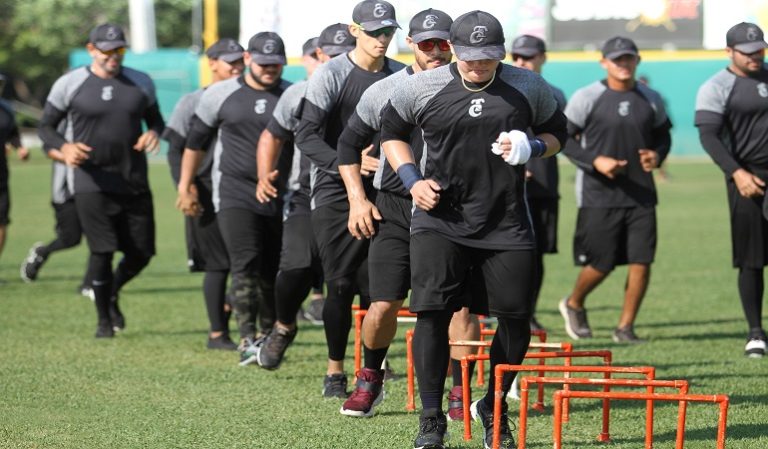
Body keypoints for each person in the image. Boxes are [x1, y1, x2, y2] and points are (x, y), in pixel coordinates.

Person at [380, 10, 567, 448]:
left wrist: (533, 146)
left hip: (506, 220)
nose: (479, 66)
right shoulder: (421, 86)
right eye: (470, 58)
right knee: (432, 314)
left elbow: (559, 133)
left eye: (488, 58)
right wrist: (412, 181)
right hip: (439, 220)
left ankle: (493, 405)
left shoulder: (527, 86)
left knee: (517, 317)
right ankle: (431, 418)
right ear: (453, 50)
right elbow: (392, 134)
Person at [336, 8, 479, 420]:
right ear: (411, 43)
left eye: (444, 44)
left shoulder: (473, 85)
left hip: (453, 209)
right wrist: (358, 200)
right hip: (396, 206)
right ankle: (370, 380)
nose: (436, 51)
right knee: (383, 304)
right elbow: (348, 147)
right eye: (427, 43)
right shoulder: (386, 89)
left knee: (459, 307)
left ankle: (459, 390)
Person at [294, 0, 406, 398]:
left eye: (388, 31)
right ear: (353, 30)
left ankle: (371, 369)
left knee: (377, 287)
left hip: (388, 190)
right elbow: (306, 135)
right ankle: (334, 371)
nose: (381, 38)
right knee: (340, 283)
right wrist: (351, 164)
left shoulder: (399, 75)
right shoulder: (331, 73)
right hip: (334, 191)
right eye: (374, 31)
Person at [38, 23, 165, 338]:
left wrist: (153, 133)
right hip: (90, 181)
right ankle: (103, 322)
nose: (113, 55)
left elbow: (157, 121)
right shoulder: (71, 83)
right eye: (107, 50)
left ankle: (110, 292)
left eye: (119, 49)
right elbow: (46, 128)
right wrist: (64, 147)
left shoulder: (141, 82)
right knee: (102, 250)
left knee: (142, 252)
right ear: (92, 49)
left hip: (133, 180)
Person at [176, 31, 292, 365]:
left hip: (280, 193)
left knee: (274, 270)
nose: (270, 69)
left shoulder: (291, 94)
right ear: (248, 59)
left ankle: (271, 335)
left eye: (276, 64)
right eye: (264, 62)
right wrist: (185, 185)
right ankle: (247, 338)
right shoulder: (220, 95)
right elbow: (194, 143)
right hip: (234, 191)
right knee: (244, 264)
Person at [253, 24, 356, 370]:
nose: (338, 61)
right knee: (295, 266)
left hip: (361, 194)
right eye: (330, 55)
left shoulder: (373, 86)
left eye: (346, 53)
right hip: (306, 192)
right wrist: (265, 173)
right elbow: (273, 135)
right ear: (318, 56)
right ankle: (283, 327)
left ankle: (359, 362)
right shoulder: (298, 93)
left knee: (346, 282)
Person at [559, 36, 672, 344]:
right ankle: (574, 303)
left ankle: (625, 327)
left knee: (641, 261)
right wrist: (597, 161)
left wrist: (657, 155)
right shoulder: (588, 97)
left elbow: (663, 136)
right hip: (598, 195)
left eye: (629, 58)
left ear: (637, 61)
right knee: (601, 263)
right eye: (617, 59)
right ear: (604, 63)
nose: (623, 64)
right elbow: (564, 139)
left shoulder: (651, 98)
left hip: (641, 194)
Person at [162, 38, 245, 350]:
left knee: (250, 260)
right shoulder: (193, 101)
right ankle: (217, 333)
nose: (237, 67)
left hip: (243, 188)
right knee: (216, 263)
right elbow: (175, 150)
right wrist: (185, 187)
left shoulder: (249, 96)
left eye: (240, 61)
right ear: (212, 63)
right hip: (206, 190)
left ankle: (237, 313)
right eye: (230, 62)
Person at [695, 22, 768, 358]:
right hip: (747, 179)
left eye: (760, 50)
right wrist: (737, 173)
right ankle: (755, 333)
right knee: (752, 259)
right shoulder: (717, 86)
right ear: (730, 52)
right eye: (748, 52)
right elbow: (709, 136)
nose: (756, 56)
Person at [509, 34, 567, 332]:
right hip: (505, 185)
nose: (522, 62)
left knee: (537, 252)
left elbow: (557, 136)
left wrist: (532, 165)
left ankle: (528, 314)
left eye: (528, 56)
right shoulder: (500, 89)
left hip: (543, 185)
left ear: (543, 57)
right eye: (517, 56)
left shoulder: (554, 94)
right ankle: (491, 310)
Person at [20, 126, 90, 295]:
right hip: (65, 195)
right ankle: (42, 252)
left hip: (92, 190)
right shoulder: (63, 122)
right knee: (70, 238)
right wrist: (69, 156)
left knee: (98, 237)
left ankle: (90, 283)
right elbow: (48, 148)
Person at [295, 35, 327, 325]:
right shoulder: (294, 93)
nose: (321, 63)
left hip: (334, 183)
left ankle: (318, 298)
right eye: (315, 56)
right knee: (302, 254)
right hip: (300, 186)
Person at [0, 79, 30, 263]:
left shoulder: (5, 108)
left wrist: (19, 147)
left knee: (2, 221)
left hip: (1, 175)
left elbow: (12, 133)